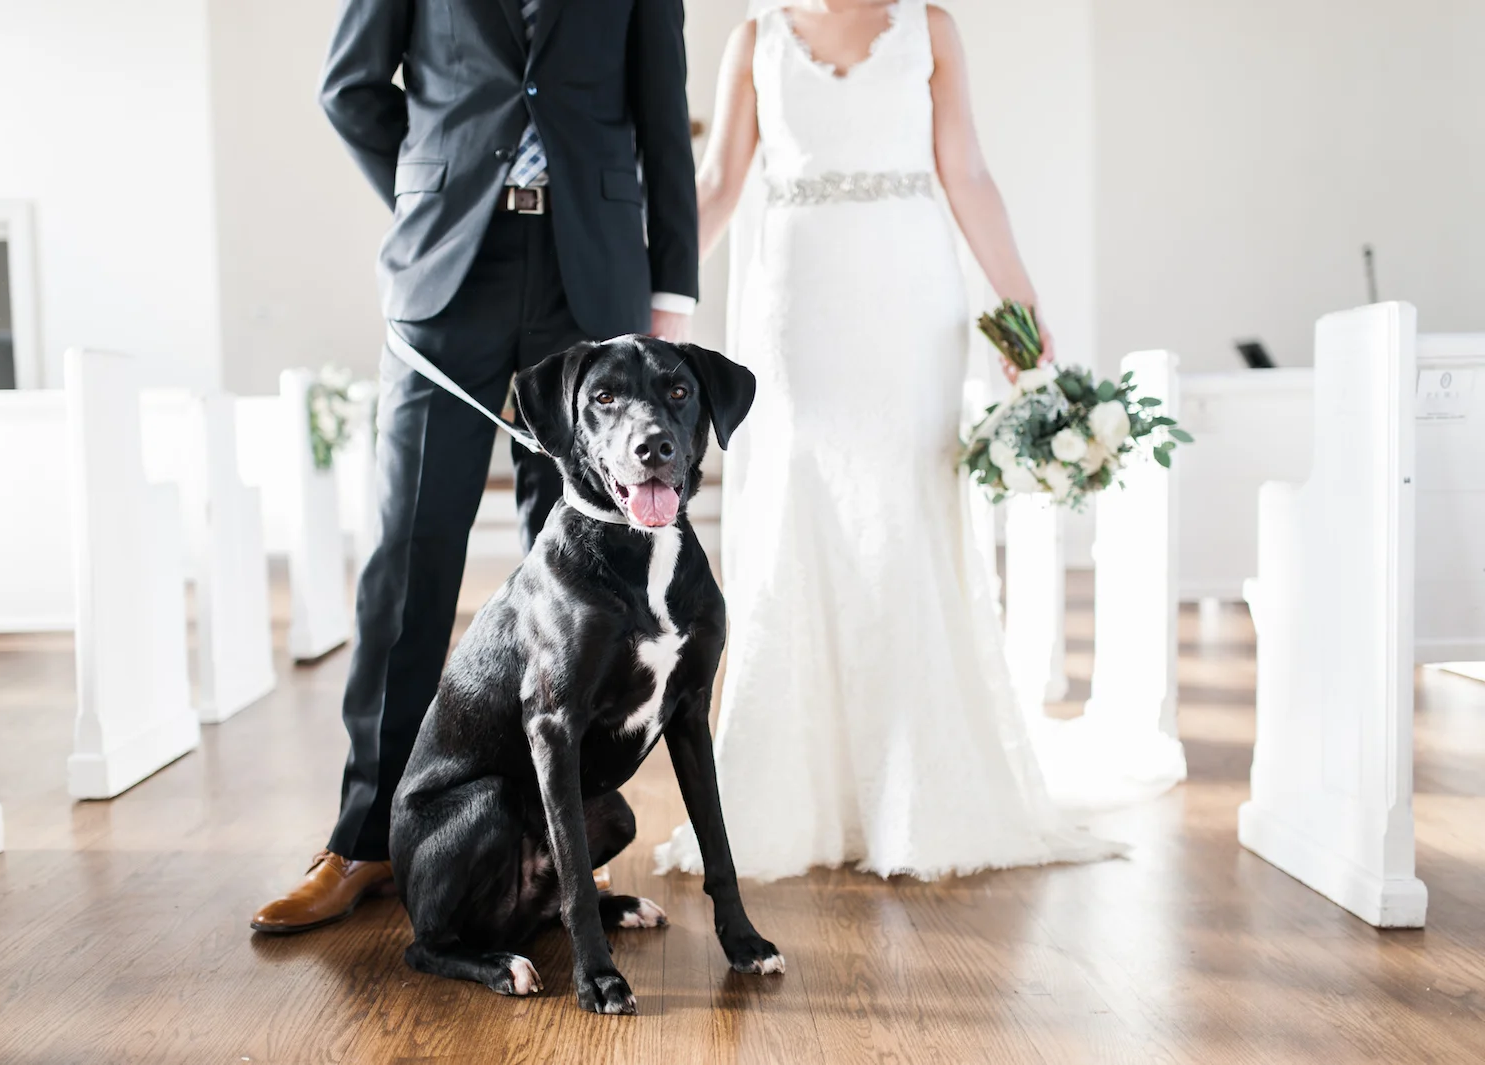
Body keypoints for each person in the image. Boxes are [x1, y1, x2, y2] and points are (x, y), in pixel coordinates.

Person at [253, 0, 698, 933]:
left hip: (594, 278)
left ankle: (551, 848)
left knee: (585, 584)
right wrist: (434, 195)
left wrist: (671, 289)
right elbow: (351, 89)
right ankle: (367, 838)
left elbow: (663, 118)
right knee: (408, 560)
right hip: (448, 274)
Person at [654, 0, 1123, 881]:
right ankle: (798, 800)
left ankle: (914, 795)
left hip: (910, 300)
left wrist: (1023, 310)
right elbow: (715, 184)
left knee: (906, 515)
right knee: (798, 511)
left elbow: (969, 172)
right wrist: (653, 319)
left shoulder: (929, 28)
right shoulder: (754, 39)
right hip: (796, 304)